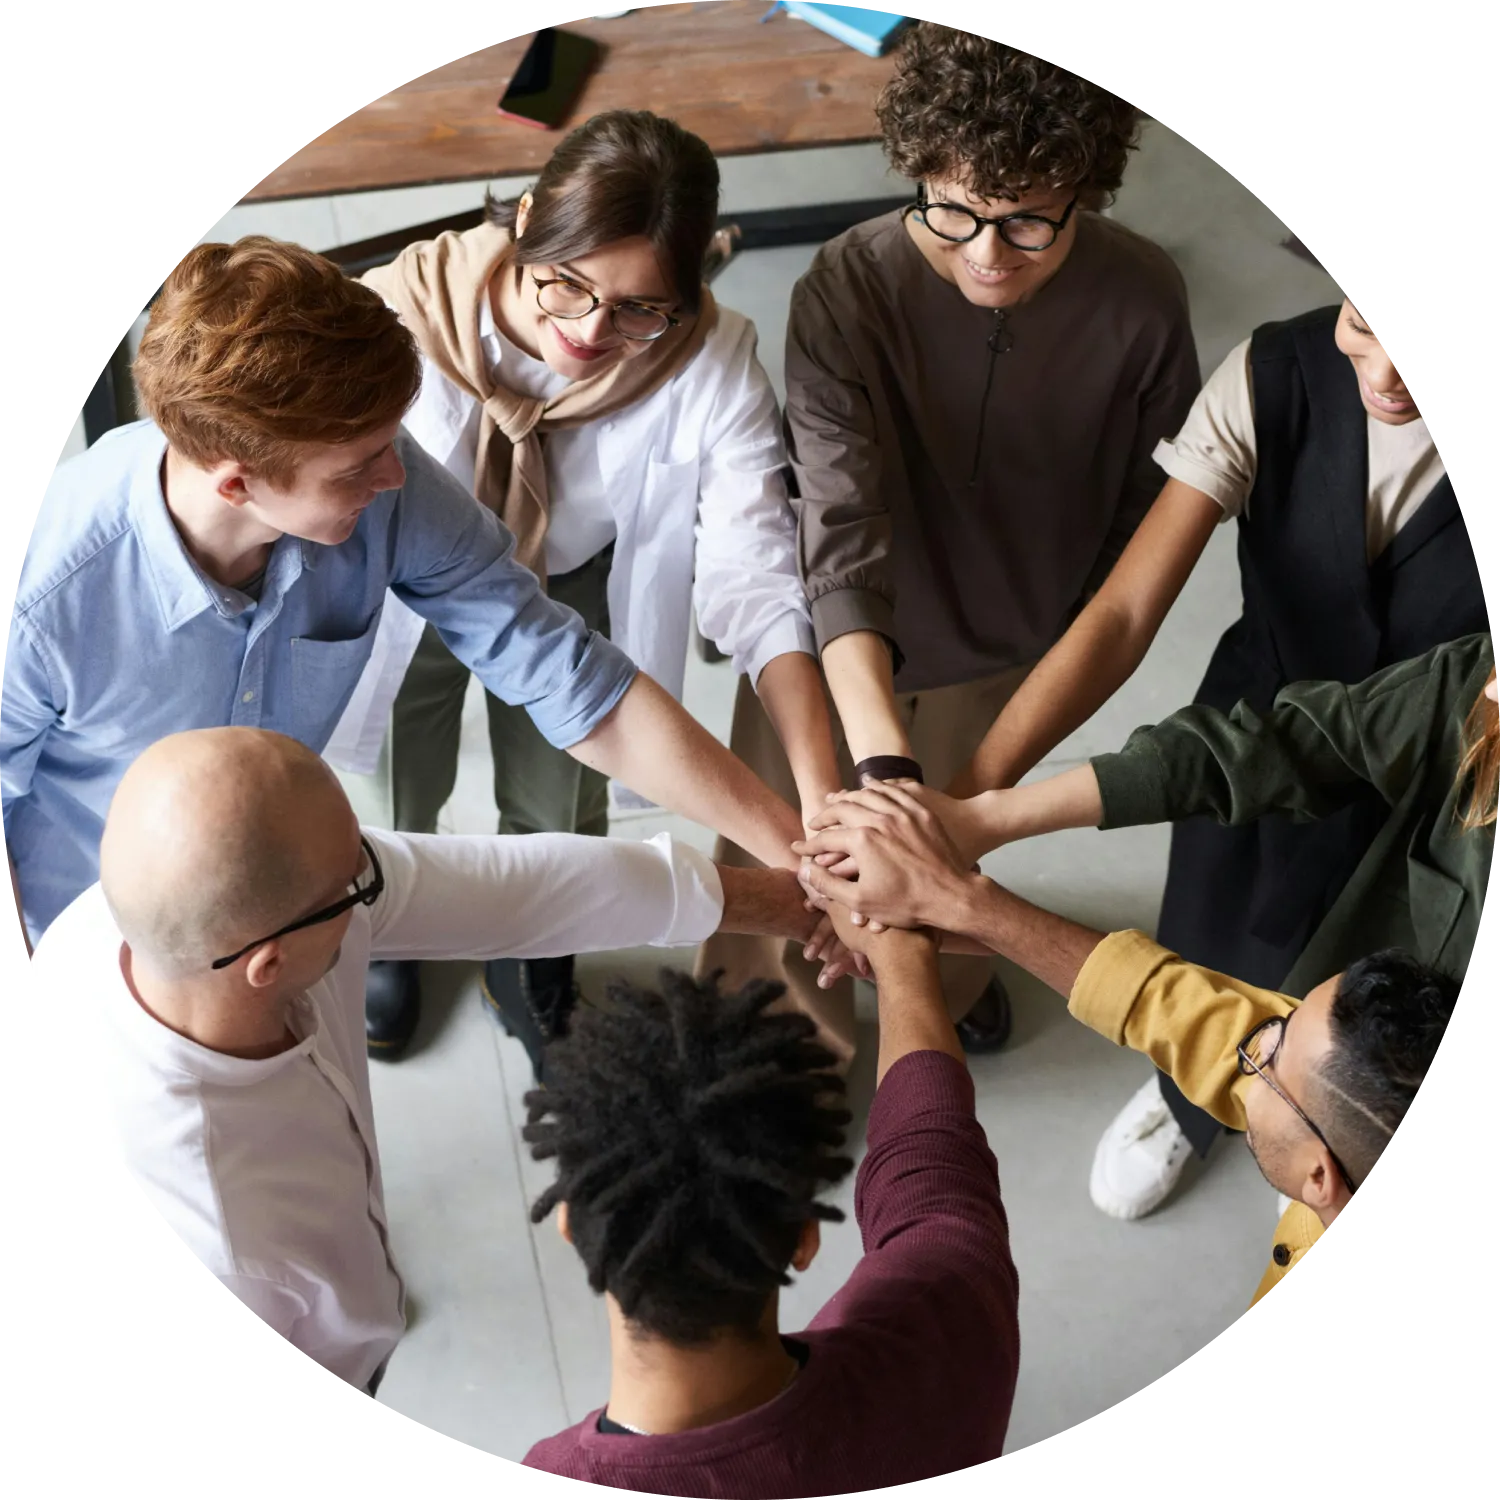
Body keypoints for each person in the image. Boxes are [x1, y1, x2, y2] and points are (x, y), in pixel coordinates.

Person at [1, 237, 835, 1056]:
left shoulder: (370, 465)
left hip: (287, 905)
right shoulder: (42, 600)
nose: (394, 477)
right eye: (358, 467)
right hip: (93, 940)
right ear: (236, 483)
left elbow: (563, 671)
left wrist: (805, 857)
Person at [31, 727, 829, 1396]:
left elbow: (517, 890)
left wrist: (786, 903)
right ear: (267, 963)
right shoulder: (224, 1239)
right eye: (354, 883)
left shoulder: (170, 904)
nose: (375, 878)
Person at [696, 21, 1201, 1071]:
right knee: (795, 855)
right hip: (838, 644)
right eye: (953, 211)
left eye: (1028, 223)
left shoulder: (1145, 298)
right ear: (918, 169)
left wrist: (1050, 653)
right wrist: (882, 772)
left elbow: (1141, 523)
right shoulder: (846, 287)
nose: (986, 254)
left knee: (958, 858)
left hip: (1009, 645)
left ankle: (953, 985)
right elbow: (838, 530)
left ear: (1088, 190)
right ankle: (781, 1043)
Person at [933, 297, 1489, 1217]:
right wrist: (968, 805)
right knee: (1212, 920)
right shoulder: (1272, 376)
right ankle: (1191, 1103)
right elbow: (1122, 614)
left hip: (1434, 782)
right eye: (1363, 323)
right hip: (1249, 734)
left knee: (1377, 992)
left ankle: (1329, 1136)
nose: (1386, 373)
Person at [321, 110, 844, 1073]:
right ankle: (389, 923)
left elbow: (756, 575)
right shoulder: (399, 311)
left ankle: (533, 947)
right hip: (405, 585)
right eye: (566, 283)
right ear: (527, 220)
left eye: (641, 308)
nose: (591, 332)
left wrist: (819, 806)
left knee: (560, 798)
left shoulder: (709, 357)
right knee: (395, 774)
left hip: (573, 582)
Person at [794, 780, 1468, 1307]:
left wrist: (905, 956)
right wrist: (960, 903)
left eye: (1268, 1057)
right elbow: (1177, 1009)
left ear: (1320, 1179)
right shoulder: (1355, 1108)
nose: (1247, 1037)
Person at [521, 934, 1018, 1494]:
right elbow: (933, 1155)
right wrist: (901, 957)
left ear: (570, 1226)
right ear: (805, 1238)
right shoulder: (950, 1314)